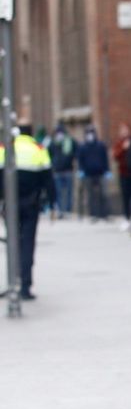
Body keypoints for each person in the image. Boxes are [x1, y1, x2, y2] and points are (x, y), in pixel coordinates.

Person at [0, 125, 56, 300]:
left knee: (13, 241)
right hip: (31, 203)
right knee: (27, 243)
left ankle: (13, 280)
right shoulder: (38, 149)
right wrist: (53, 204)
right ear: (31, 133)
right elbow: (48, 179)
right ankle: (25, 285)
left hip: (9, 204)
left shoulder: (5, 148)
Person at [77, 126, 111, 221]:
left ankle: (104, 214)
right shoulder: (83, 147)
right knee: (91, 196)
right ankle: (93, 214)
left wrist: (107, 170)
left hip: (100, 172)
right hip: (88, 174)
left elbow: (105, 159)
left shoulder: (100, 145)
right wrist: (81, 170)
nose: (90, 135)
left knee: (103, 195)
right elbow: (80, 160)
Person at [49, 125, 77, 216]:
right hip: (57, 171)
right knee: (58, 193)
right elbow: (49, 155)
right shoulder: (53, 144)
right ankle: (61, 211)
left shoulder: (70, 142)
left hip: (68, 170)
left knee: (69, 192)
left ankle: (68, 210)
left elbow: (76, 152)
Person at [112, 122, 131, 225]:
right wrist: (123, 148)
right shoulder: (119, 143)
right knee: (125, 196)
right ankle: (127, 217)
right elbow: (115, 156)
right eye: (122, 131)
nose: (124, 132)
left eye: (126, 130)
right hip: (123, 173)